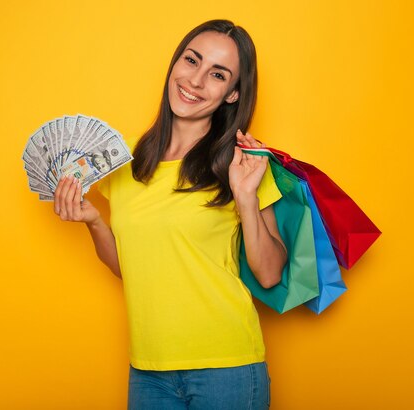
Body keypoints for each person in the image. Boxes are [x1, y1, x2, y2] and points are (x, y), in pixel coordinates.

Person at [53, 19, 287, 410]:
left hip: (226, 367)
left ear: (232, 95)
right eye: (191, 60)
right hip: (147, 371)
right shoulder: (121, 159)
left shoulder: (242, 164)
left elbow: (269, 272)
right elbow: (133, 267)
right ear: (174, 64)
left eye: (217, 74)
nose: (195, 81)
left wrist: (246, 198)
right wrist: (94, 221)